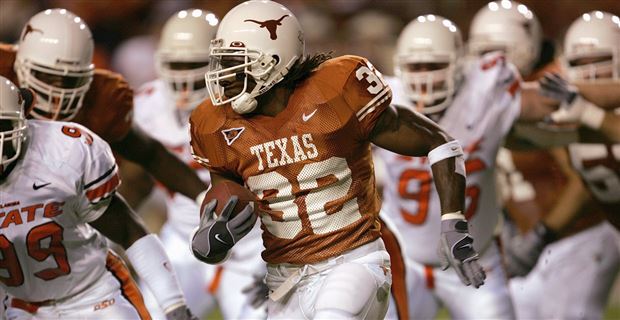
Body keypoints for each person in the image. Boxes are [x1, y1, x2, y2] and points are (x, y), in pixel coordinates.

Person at [188, 1, 484, 319]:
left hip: (354, 262)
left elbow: (439, 144)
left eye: (237, 64)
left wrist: (453, 222)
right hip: (284, 279)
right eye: (222, 63)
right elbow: (225, 195)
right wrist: (214, 233)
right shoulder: (216, 123)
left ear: (273, 61)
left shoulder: (335, 90)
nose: (224, 78)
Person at [376, 10, 559, 318]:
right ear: (400, 67)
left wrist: (575, 102)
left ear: (459, 65)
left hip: (475, 253)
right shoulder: (384, 99)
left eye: (434, 66)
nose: (425, 77)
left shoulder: (485, 92)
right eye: (416, 66)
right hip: (404, 259)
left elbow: (543, 104)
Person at [470, 4, 620, 319]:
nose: (489, 64)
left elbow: (581, 171)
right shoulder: (514, 97)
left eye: (497, 53)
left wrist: (541, 233)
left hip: (575, 237)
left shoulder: (552, 90)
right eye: (482, 53)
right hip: (549, 242)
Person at [0, 76, 194, 319]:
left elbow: (126, 230)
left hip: (94, 297)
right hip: (22, 307)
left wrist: (173, 304)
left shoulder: (61, 152)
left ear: (21, 121)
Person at [129, 9, 266, 319]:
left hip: (252, 244)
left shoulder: (250, 107)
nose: (185, 77)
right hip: (182, 238)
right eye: (176, 65)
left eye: (193, 65)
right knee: (151, 314)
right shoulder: (146, 107)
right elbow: (131, 178)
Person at [0, 8, 207, 209]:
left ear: (87, 76)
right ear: (20, 64)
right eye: (44, 76)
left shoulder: (102, 98)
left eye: (69, 80)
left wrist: (203, 197)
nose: (57, 90)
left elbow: (151, 155)